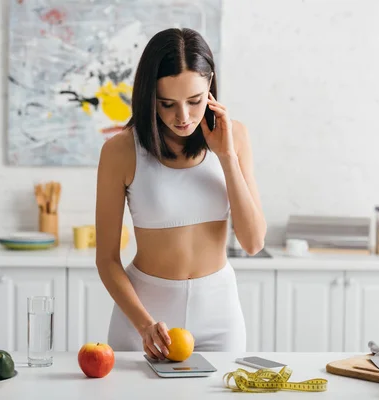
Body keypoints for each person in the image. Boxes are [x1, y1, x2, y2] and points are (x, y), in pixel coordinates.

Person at [95, 27, 266, 360]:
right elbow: (106, 259)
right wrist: (144, 325)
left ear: (210, 87)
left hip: (220, 317)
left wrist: (227, 157)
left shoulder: (237, 138)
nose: (183, 117)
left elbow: (253, 242)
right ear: (149, 97)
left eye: (195, 101)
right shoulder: (121, 151)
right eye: (167, 104)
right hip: (143, 318)